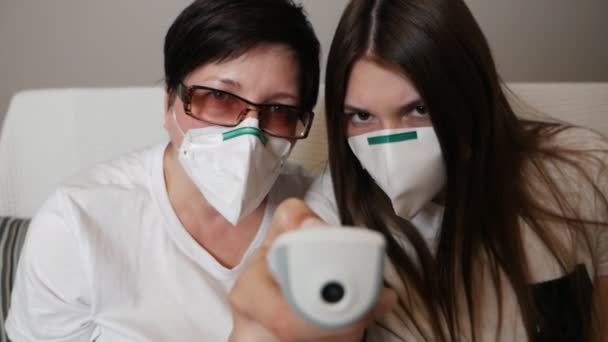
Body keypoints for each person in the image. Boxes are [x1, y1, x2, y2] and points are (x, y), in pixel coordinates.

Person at [228, 0, 608, 341]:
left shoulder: (582, 169)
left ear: (470, 94)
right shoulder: (331, 218)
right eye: (362, 116)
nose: (392, 148)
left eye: (419, 109)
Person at [5, 0, 320, 340]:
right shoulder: (76, 224)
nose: (249, 134)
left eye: (278, 109)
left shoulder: (320, 214)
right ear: (168, 103)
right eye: (219, 97)